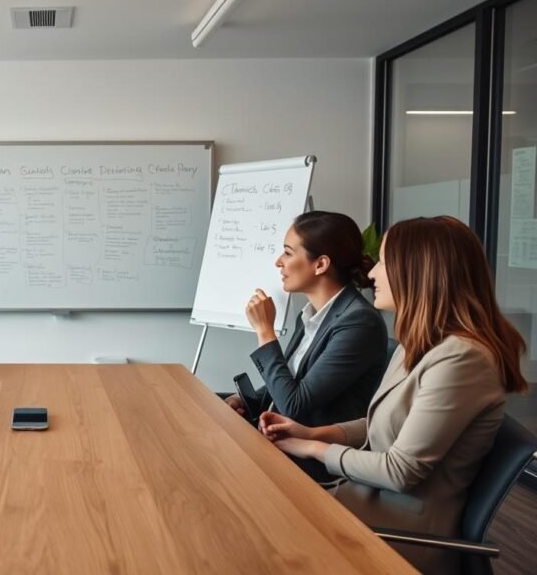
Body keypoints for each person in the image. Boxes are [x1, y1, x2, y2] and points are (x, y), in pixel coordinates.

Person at [260, 216, 528, 574]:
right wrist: (310, 433)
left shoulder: (463, 359)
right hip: (364, 505)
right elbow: (379, 423)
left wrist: (313, 449)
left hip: (399, 535)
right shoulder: (420, 343)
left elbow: (401, 471)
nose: (372, 274)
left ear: (418, 271)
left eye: (385, 262)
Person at [224, 211, 388, 431]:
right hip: (280, 439)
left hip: (313, 456)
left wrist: (265, 332)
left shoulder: (359, 322)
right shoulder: (311, 315)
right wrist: (246, 400)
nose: (278, 262)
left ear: (320, 264)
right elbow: (293, 380)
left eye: (288, 253)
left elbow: (294, 405)